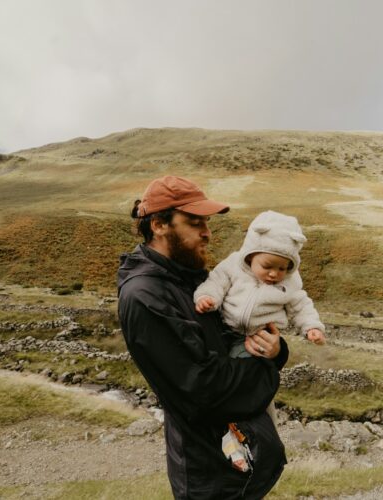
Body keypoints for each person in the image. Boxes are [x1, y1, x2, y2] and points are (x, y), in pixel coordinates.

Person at [117, 175, 289, 499]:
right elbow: (201, 390)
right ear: (158, 225)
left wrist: (275, 349)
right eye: (194, 222)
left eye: (206, 222)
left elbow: (234, 334)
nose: (207, 233)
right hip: (210, 477)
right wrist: (267, 369)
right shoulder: (145, 296)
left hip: (238, 471)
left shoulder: (192, 279)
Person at [193, 211, 325, 423]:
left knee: (248, 384)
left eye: (282, 268)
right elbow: (216, 281)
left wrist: (311, 327)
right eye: (267, 266)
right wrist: (207, 297)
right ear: (251, 255)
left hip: (257, 339)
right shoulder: (233, 266)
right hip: (224, 329)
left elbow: (300, 305)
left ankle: (252, 423)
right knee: (223, 373)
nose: (274, 274)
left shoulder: (289, 283)